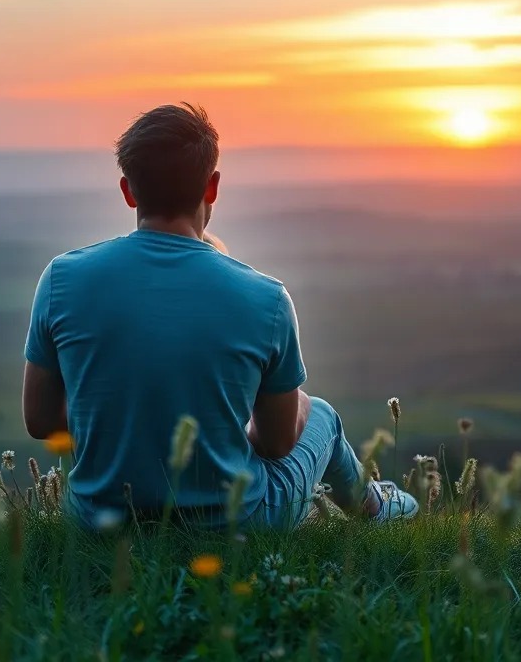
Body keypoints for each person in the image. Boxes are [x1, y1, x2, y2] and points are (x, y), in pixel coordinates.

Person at [21, 103, 418, 529]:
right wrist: (252, 417)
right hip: (235, 523)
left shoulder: (61, 279)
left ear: (128, 191)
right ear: (212, 187)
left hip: (97, 520)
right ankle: (376, 509)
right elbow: (277, 444)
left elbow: (40, 420)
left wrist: (120, 416)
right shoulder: (267, 298)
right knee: (321, 415)